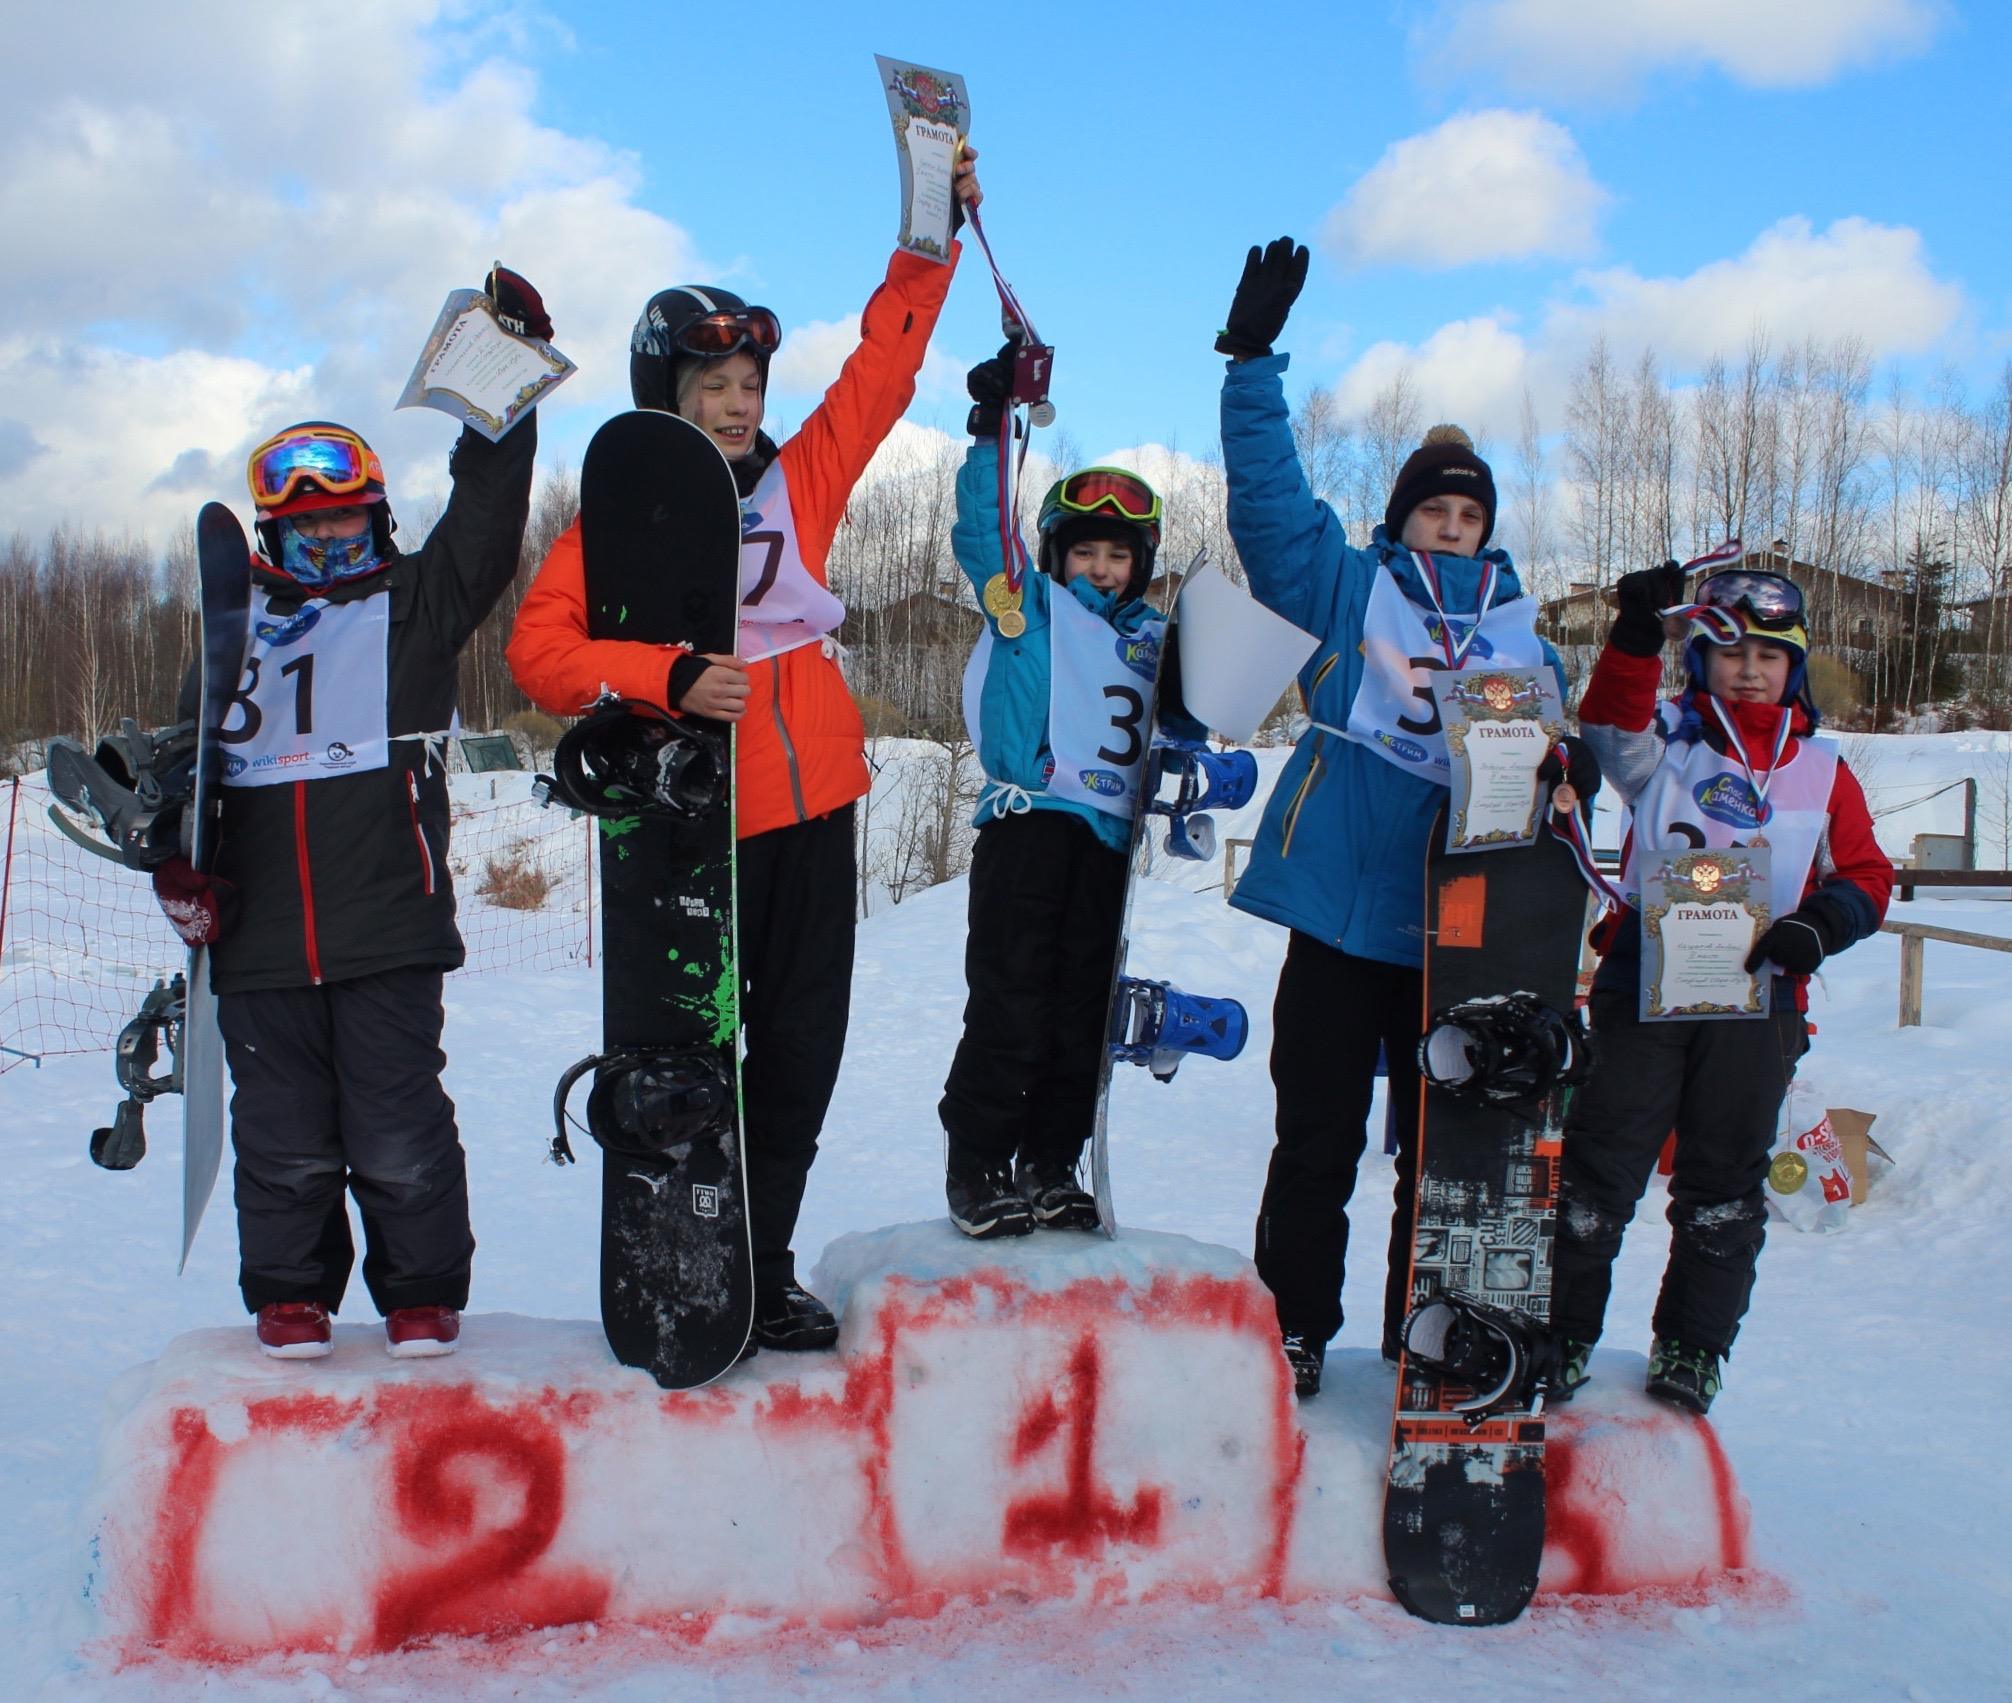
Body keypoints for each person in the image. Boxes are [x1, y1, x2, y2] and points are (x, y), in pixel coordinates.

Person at [506, 155, 982, 1351]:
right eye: (710, 382)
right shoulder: (614, 519)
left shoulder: (800, 482)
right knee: (699, 1061)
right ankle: (693, 1246)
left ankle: (760, 1266)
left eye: (748, 380)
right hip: (697, 837)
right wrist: (662, 675)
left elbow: (882, 369)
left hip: (819, 812)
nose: (735, 399)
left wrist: (930, 237)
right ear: (664, 395)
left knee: (800, 1057)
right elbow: (539, 648)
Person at [1214, 238, 1594, 1398]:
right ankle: (1294, 1324)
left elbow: (1559, 766)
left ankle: (1423, 1333)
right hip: (1339, 912)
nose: (1448, 525)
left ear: (1487, 530)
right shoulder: (1346, 587)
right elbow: (1271, 506)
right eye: (1431, 509)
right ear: (1403, 519)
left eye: (1465, 514)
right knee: (1315, 1140)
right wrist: (1250, 362)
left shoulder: (1524, 632)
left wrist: (1569, 775)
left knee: (1447, 1156)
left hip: (1462, 933)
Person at [153, 267, 549, 1360]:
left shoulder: (417, 604)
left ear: (376, 521)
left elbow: (485, 520)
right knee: (280, 1133)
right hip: (264, 939)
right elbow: (180, 783)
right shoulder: (230, 641)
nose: (328, 547)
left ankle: (420, 1285)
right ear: (275, 540)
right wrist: (174, 869)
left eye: (346, 526)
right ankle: (292, 1290)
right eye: (306, 531)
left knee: (397, 1122)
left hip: (387, 921)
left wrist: (502, 387)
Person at [1552, 560, 1892, 1413]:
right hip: (1647, 984)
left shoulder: (1822, 768)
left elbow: (1867, 874)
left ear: (1794, 668)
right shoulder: (1663, 739)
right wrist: (1634, 637)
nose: (1750, 669)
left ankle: (1692, 1349)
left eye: (1770, 655)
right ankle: (1561, 1333)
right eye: (1729, 650)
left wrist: (1819, 924)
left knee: (1722, 1188)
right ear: (1700, 659)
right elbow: (1607, 727)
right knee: (1600, 1171)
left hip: (1762, 996)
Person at [937, 348, 1176, 1237]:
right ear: (1056, 553)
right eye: (1086, 549)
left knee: (1082, 1009)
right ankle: (981, 1159)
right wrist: (993, 428)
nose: (1102, 567)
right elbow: (979, 528)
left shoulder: (1157, 636)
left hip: (1107, 847)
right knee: (1011, 997)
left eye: (1119, 553)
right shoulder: (1025, 602)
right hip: (1029, 827)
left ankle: (1050, 1157)